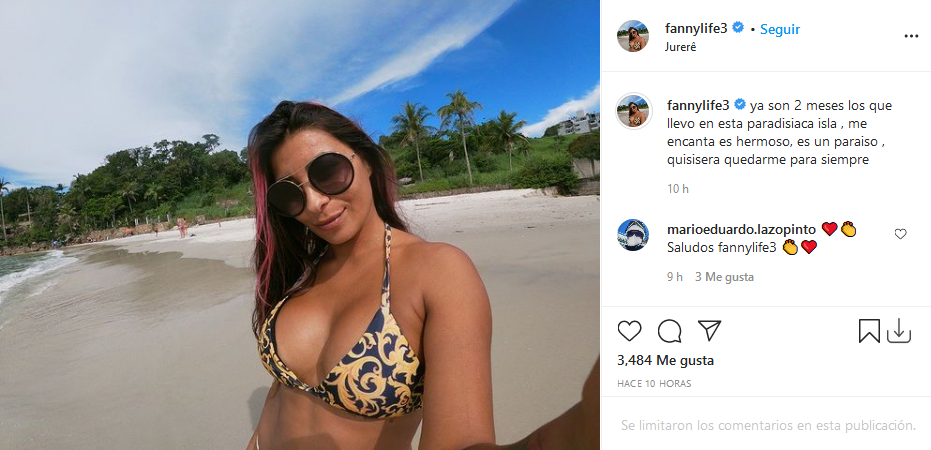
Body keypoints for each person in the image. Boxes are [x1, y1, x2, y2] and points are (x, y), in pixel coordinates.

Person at [246, 101, 597, 450]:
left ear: (365, 161)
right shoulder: (301, 273)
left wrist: (577, 429)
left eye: (327, 172)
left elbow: (462, 443)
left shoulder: (437, 271)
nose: (313, 203)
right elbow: (282, 395)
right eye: (289, 193)